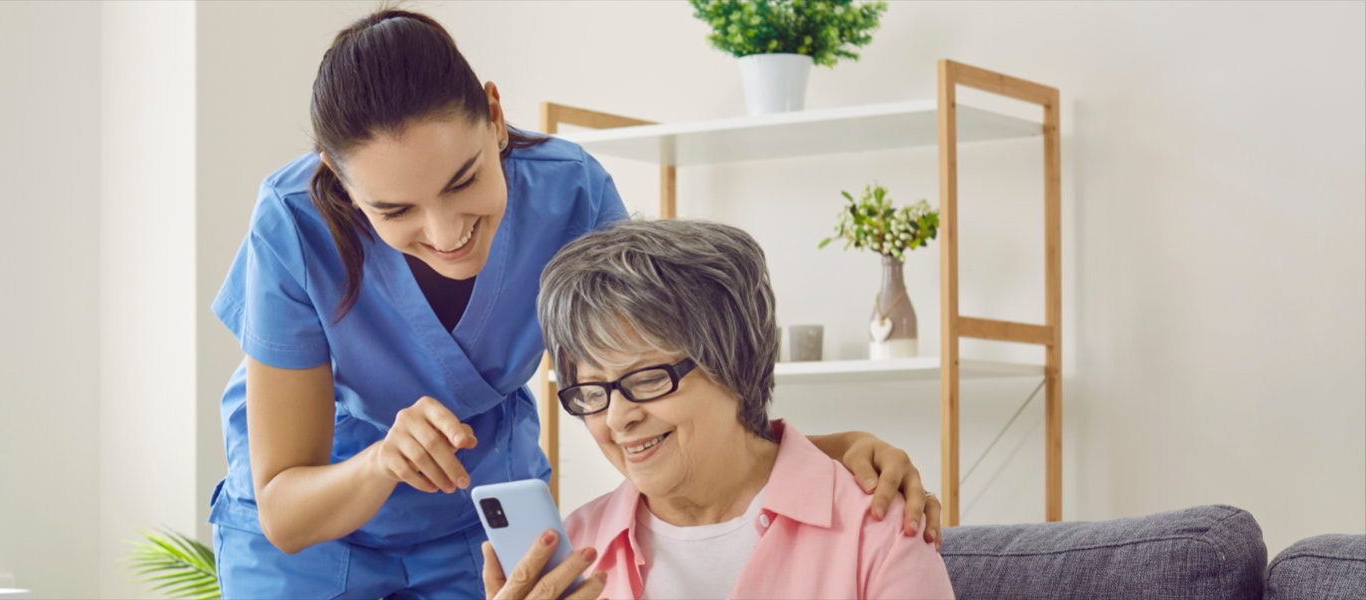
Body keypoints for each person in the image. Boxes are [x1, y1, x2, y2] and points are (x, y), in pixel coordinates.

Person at [211, 9, 943, 599]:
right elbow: (282, 508)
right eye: (396, 210)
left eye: (465, 180)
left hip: (481, 516)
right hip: (315, 533)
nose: (446, 233)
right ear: (343, 191)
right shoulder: (292, 225)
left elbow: (675, 369)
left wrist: (817, 454)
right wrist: (383, 463)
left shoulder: (569, 192)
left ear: (495, 117)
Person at [483, 219, 954, 600]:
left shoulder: (877, 532)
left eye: (647, 379)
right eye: (590, 391)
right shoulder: (573, 553)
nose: (616, 418)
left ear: (733, 364)